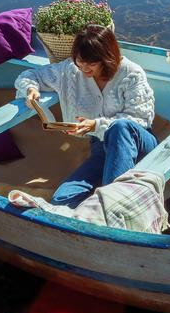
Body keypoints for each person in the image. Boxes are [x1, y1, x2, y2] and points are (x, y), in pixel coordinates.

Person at [14, 24, 157, 207]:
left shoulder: (131, 73)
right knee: (62, 200)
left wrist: (95, 126)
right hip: (102, 148)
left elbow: (141, 119)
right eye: (80, 62)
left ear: (108, 58)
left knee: (120, 127)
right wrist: (31, 88)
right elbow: (30, 75)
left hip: (139, 145)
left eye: (91, 64)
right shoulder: (71, 69)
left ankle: (112, 205)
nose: (84, 68)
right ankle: (106, 203)